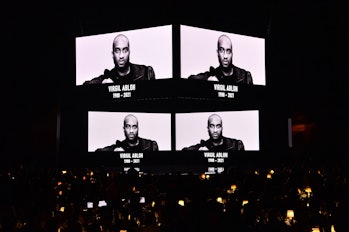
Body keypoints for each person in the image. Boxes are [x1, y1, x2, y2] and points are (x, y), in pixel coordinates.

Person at [83, 34, 155, 84]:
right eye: (117, 51)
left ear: (129, 52)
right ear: (112, 54)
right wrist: (102, 83)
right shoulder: (108, 77)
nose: (121, 56)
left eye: (125, 50)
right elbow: (84, 86)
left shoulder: (146, 73)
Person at [188, 34, 253, 84]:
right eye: (221, 50)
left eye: (228, 51)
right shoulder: (212, 74)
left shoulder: (245, 76)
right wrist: (208, 80)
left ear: (232, 54)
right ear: (217, 53)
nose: (225, 56)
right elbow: (190, 79)